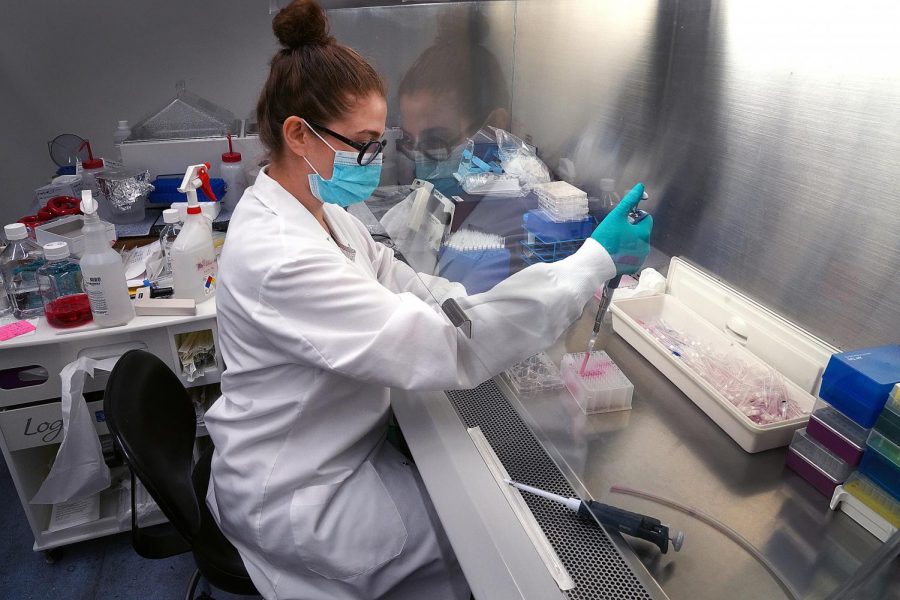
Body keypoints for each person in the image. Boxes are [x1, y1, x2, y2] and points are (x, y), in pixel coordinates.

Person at [204, 1, 653, 599]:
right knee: (481, 542)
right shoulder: (281, 254)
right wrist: (589, 264)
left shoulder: (325, 213)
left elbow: (412, 287)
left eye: (377, 142)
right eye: (362, 145)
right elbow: (446, 346)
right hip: (298, 494)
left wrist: (486, 300)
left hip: (327, 453)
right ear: (297, 134)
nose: (375, 160)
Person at [396, 11, 510, 195]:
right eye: (408, 140)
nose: (419, 160)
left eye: (435, 142)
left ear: (494, 126)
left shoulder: (518, 209)